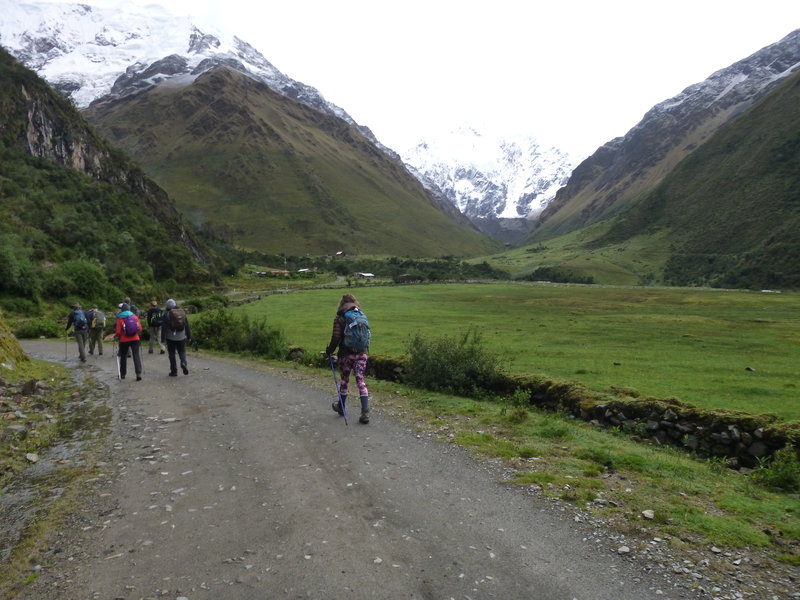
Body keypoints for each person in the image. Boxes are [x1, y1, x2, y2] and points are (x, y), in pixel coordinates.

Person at [324, 293, 370, 424]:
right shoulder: (361, 315)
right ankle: (365, 411)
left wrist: (329, 351)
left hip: (346, 354)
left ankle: (341, 406)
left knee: (345, 381)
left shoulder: (340, 317)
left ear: (342, 304)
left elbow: (336, 337)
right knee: (361, 380)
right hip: (362, 353)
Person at [161, 298, 191, 376]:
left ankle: (174, 371)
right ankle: (183, 363)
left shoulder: (166, 314)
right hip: (181, 337)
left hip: (170, 338)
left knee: (172, 354)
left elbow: (164, 328)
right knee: (182, 351)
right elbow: (187, 325)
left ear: (167, 306)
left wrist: (162, 339)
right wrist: (189, 336)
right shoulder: (182, 312)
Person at [115, 302, 143, 381]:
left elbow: (118, 332)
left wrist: (116, 336)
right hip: (135, 339)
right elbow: (140, 328)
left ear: (122, 310)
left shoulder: (120, 318)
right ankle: (138, 374)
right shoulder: (134, 317)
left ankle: (122, 374)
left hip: (124, 340)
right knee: (136, 356)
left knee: (123, 357)